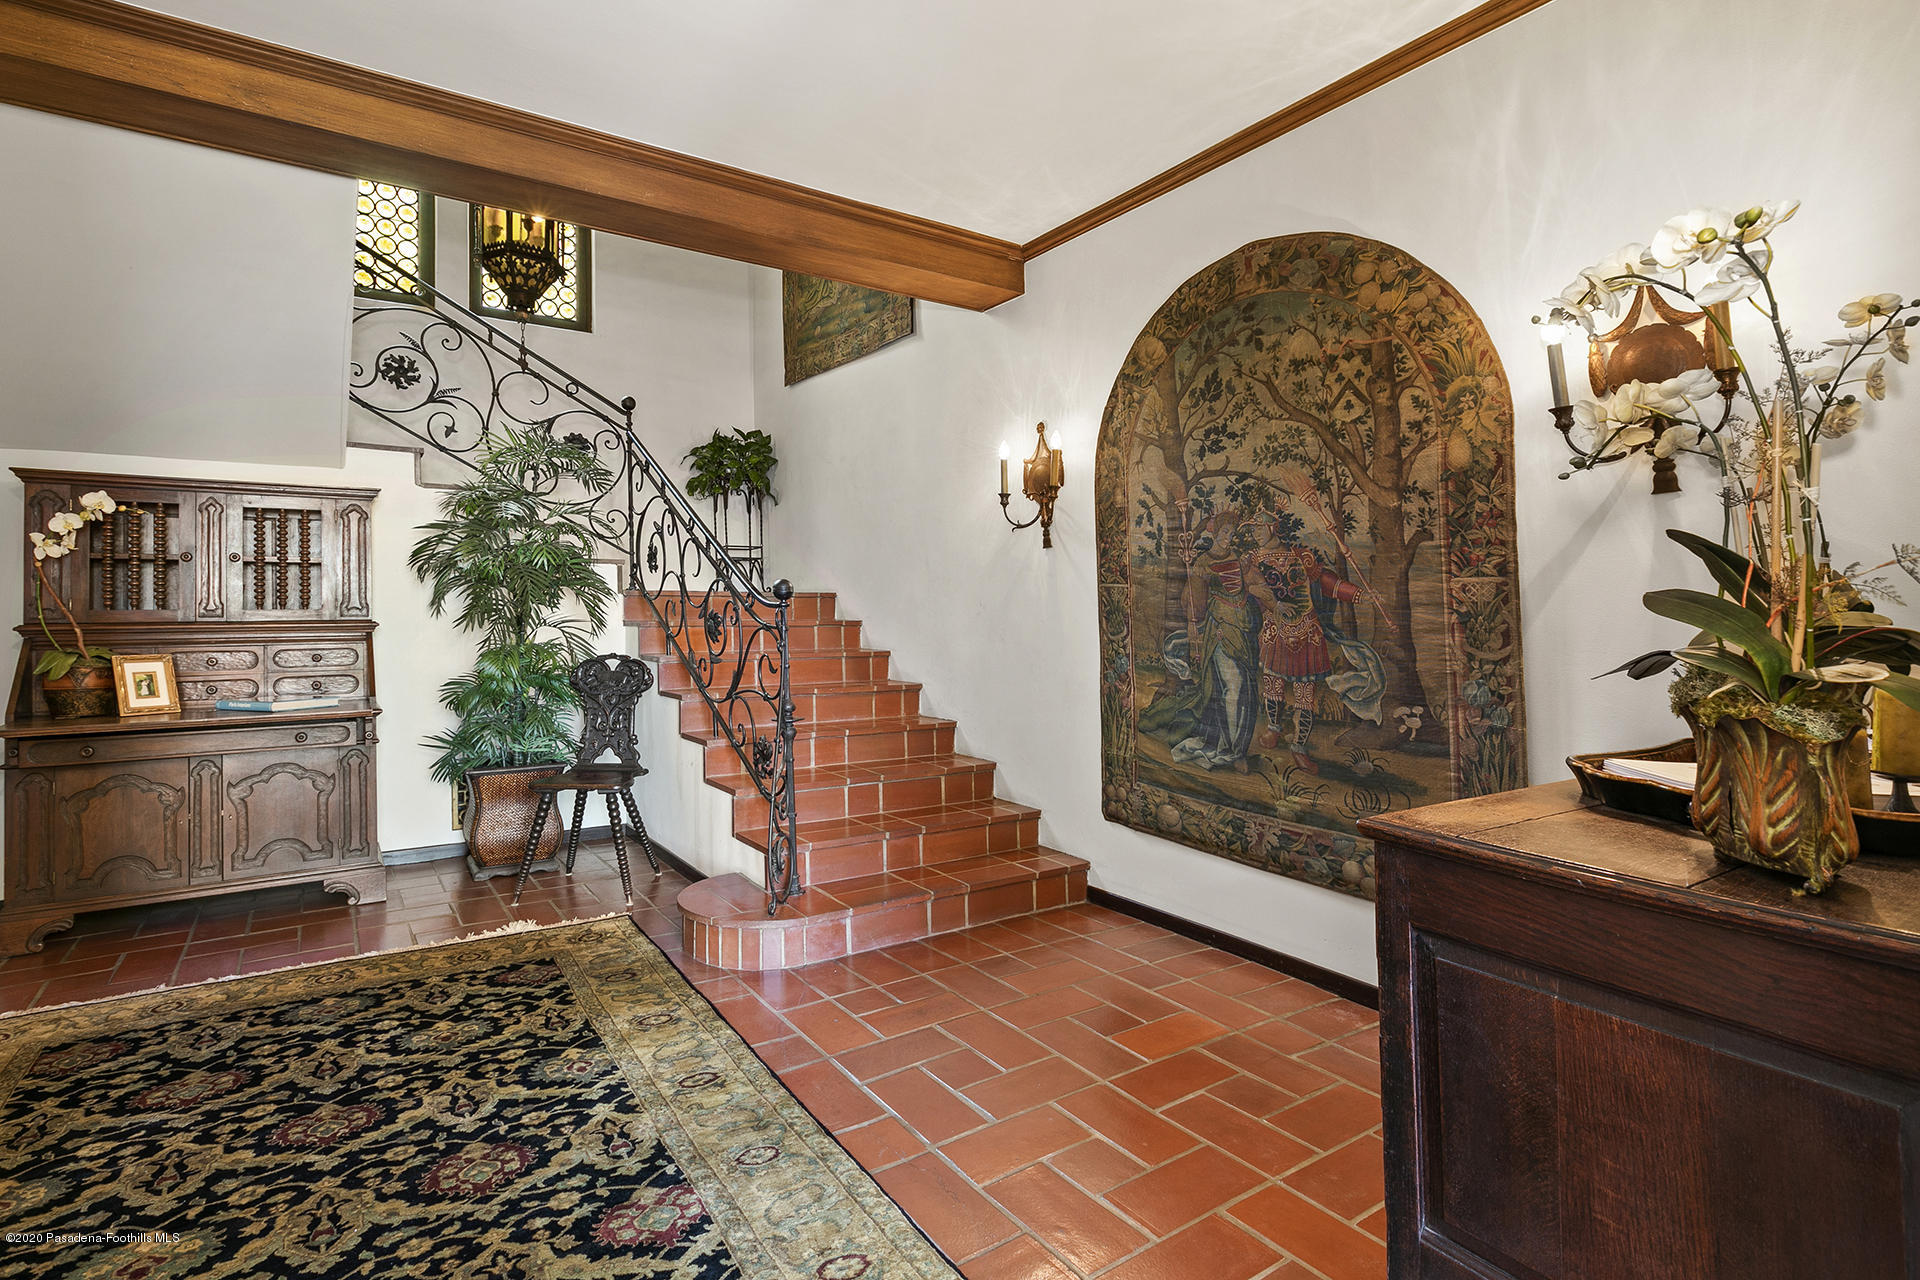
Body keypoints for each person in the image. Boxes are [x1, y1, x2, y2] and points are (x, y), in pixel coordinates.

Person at [1242, 516, 1384, 773]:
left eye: (1258, 528)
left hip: (1308, 631)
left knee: (1305, 696)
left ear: (1272, 527)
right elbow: (1249, 587)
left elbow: (1325, 582)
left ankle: (1299, 747)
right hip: (1275, 630)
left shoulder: (1300, 555)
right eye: (1252, 530)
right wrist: (1267, 600)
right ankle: (1274, 728)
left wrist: (1360, 595)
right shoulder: (1252, 559)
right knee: (1273, 684)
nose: (1255, 534)